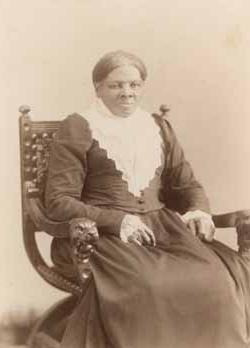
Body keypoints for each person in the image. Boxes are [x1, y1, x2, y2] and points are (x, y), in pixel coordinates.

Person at [45, 50, 250, 348]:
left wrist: (198, 210)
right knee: (150, 285)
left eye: (134, 85)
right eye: (116, 85)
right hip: (103, 234)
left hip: (164, 228)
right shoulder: (78, 126)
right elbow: (59, 200)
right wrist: (118, 220)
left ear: (142, 86)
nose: (127, 93)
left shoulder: (157, 126)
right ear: (98, 88)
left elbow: (186, 183)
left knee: (216, 280)